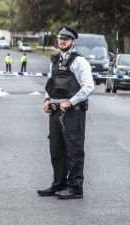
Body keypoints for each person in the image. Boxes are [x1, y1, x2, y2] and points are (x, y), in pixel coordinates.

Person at [38, 26, 94, 199]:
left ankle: (75, 188)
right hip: (55, 112)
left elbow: (89, 86)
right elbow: (50, 83)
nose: (62, 41)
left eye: (66, 39)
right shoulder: (55, 60)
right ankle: (58, 184)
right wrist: (47, 99)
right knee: (56, 151)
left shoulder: (80, 62)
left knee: (74, 151)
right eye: (60, 38)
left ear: (72, 41)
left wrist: (70, 102)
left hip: (73, 113)